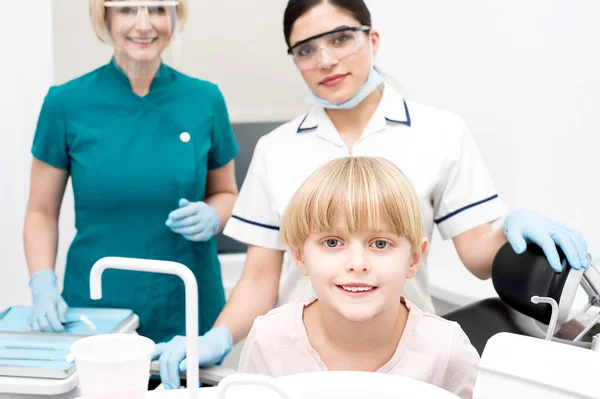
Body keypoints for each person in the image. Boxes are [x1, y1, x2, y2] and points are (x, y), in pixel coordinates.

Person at [154, 0, 589, 388]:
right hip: (300, 359)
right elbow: (260, 277)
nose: (325, 60)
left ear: (372, 39)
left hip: (408, 358)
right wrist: (218, 337)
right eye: (305, 49)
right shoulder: (275, 150)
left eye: (340, 38)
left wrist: (510, 231)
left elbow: (476, 254)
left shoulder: (440, 133)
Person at [23, 0, 238, 367]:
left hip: (186, 301)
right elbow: (41, 212)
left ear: (175, 14)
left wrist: (213, 215)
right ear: (103, 16)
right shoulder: (66, 103)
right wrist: (42, 284)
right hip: (98, 304)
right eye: (126, 9)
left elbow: (226, 192)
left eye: (157, 8)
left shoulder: (205, 100)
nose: (144, 24)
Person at [238, 156, 479, 399]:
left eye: (380, 243)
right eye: (332, 242)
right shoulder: (269, 340)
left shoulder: (446, 350)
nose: (357, 264)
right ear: (300, 256)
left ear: (414, 259)